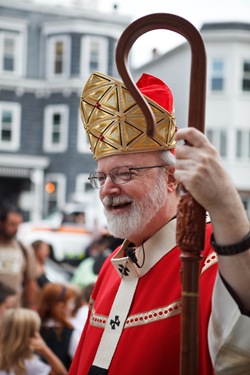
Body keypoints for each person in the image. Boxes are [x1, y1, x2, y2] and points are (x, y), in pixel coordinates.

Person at [69, 71, 250, 375]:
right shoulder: (111, 267)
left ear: (169, 177)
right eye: (101, 177)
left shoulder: (213, 257)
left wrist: (225, 204)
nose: (107, 189)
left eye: (124, 173)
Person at [0, 308, 67, 375]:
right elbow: (61, 373)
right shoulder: (27, 364)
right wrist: (45, 349)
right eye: (36, 331)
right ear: (31, 335)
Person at [38, 282, 81, 370]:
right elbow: (78, 362)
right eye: (71, 303)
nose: (72, 307)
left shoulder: (35, 326)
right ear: (61, 306)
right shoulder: (70, 332)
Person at [0, 206, 38, 308]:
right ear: (2, 223)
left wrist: (31, 307)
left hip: (14, 311)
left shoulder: (24, 249)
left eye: (18, 225)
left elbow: (31, 282)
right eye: (12, 224)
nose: (15, 228)